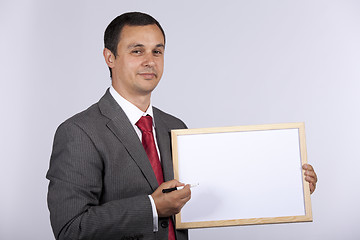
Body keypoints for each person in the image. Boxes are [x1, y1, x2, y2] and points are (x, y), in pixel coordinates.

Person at [46, 12, 318, 240]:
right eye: (136, 51)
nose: (149, 61)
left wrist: (289, 184)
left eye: (157, 51)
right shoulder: (79, 132)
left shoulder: (174, 127)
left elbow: (211, 191)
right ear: (110, 57)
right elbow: (71, 228)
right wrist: (152, 207)